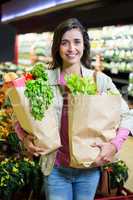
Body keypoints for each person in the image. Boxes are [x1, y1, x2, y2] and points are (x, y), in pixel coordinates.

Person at [14, 18, 132, 200]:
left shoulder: (99, 81)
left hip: (89, 168)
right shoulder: (42, 79)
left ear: (84, 45)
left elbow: (126, 114)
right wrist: (25, 138)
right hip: (55, 168)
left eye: (77, 42)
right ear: (57, 47)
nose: (71, 48)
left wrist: (114, 145)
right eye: (64, 43)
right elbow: (19, 112)